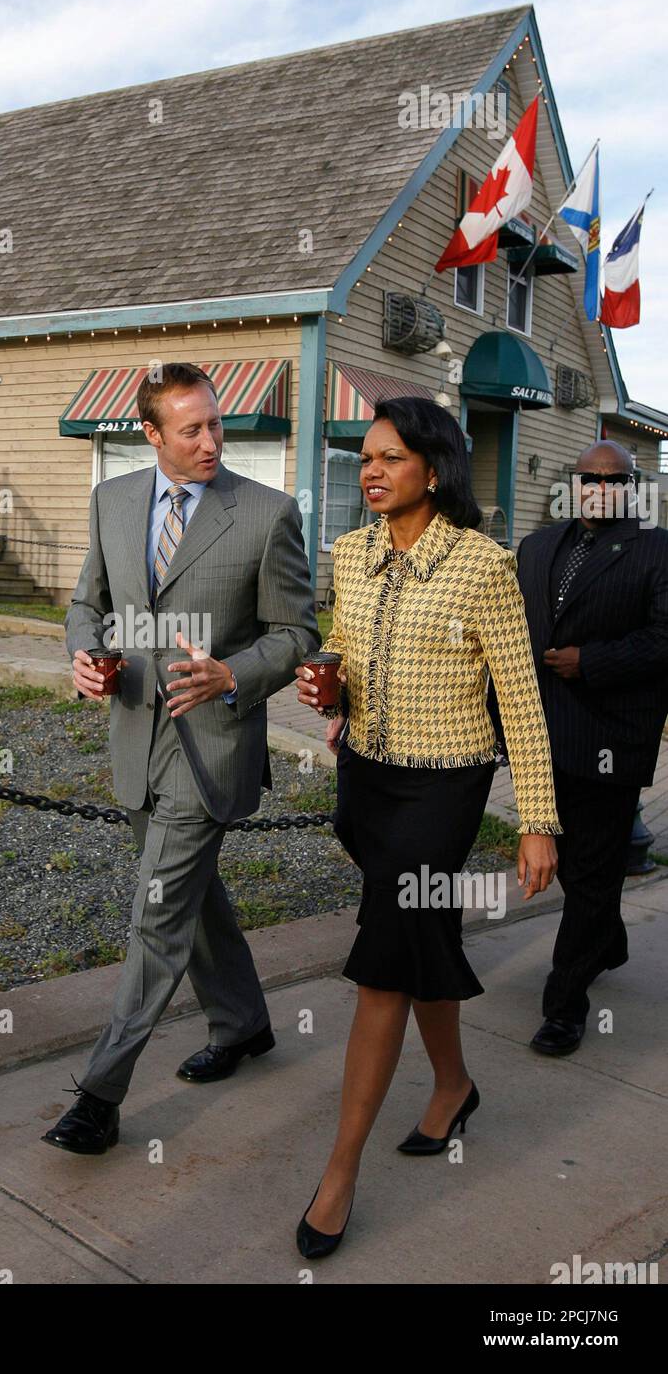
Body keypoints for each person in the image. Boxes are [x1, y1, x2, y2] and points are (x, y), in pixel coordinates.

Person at [292, 396, 560, 1259]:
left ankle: (339, 1173)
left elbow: (520, 693)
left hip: (444, 790)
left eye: (391, 458)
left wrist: (538, 822)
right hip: (366, 778)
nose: (370, 471)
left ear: (434, 471)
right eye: (365, 457)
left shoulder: (484, 565)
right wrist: (329, 690)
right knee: (420, 942)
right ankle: (453, 1085)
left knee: (382, 963)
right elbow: (345, 645)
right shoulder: (350, 551)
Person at [42, 362, 321, 1154]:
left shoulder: (267, 514)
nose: (210, 440)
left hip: (215, 744)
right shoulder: (112, 501)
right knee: (191, 898)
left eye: (215, 424)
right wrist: (86, 655)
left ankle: (99, 1096)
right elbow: (87, 604)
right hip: (136, 736)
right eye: (191, 429)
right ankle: (244, 1023)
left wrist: (235, 673)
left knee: (156, 915)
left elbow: (299, 633)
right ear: (151, 434)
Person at [490, 439, 668, 1057]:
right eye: (587, 478)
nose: (597, 487)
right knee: (572, 863)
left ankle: (564, 1007)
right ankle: (607, 940)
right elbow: (509, 633)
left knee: (592, 872)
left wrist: (591, 661)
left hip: (611, 736)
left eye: (611, 479)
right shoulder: (538, 546)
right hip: (542, 737)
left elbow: (665, 636)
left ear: (632, 486)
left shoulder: (657, 549)